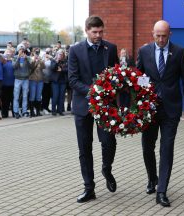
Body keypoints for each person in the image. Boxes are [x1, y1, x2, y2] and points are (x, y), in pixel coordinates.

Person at [136, 20, 184, 207]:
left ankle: (161, 191)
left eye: (164, 35)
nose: (161, 39)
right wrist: (139, 103)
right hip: (149, 109)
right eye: (157, 35)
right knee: (147, 147)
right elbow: (139, 78)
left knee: (166, 149)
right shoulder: (144, 52)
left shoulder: (179, 52)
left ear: (170, 34)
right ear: (152, 33)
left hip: (171, 108)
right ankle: (152, 179)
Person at [68, 15, 119, 203]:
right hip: (83, 107)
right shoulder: (75, 50)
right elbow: (73, 79)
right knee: (84, 148)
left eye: (101, 31)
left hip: (106, 106)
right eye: (94, 32)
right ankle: (89, 188)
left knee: (109, 143)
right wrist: (93, 91)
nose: (98, 35)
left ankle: (107, 169)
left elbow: (114, 76)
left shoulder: (110, 48)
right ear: (87, 31)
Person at [12, 43, 32, 119]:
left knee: (25, 96)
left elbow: (31, 66)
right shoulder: (14, 57)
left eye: (23, 49)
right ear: (18, 50)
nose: (21, 51)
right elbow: (14, 66)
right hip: (17, 79)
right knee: (16, 96)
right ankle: (16, 111)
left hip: (26, 79)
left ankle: (24, 111)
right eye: (20, 49)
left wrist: (26, 58)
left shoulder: (28, 58)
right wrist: (18, 58)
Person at [50, 50, 68, 116]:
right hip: (55, 81)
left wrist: (61, 70)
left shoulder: (65, 61)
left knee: (61, 97)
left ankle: (60, 110)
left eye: (61, 54)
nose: (60, 55)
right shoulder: (53, 60)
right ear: (57, 54)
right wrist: (57, 61)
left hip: (63, 81)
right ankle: (53, 110)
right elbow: (52, 68)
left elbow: (68, 69)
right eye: (59, 54)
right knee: (55, 96)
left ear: (63, 55)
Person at [29, 49, 45, 117]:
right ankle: (32, 112)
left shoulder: (40, 59)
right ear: (33, 52)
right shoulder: (30, 59)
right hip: (33, 80)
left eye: (38, 52)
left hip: (40, 80)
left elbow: (44, 67)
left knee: (38, 96)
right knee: (32, 96)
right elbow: (30, 67)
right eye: (36, 52)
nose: (37, 54)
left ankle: (38, 112)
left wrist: (40, 61)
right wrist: (34, 60)